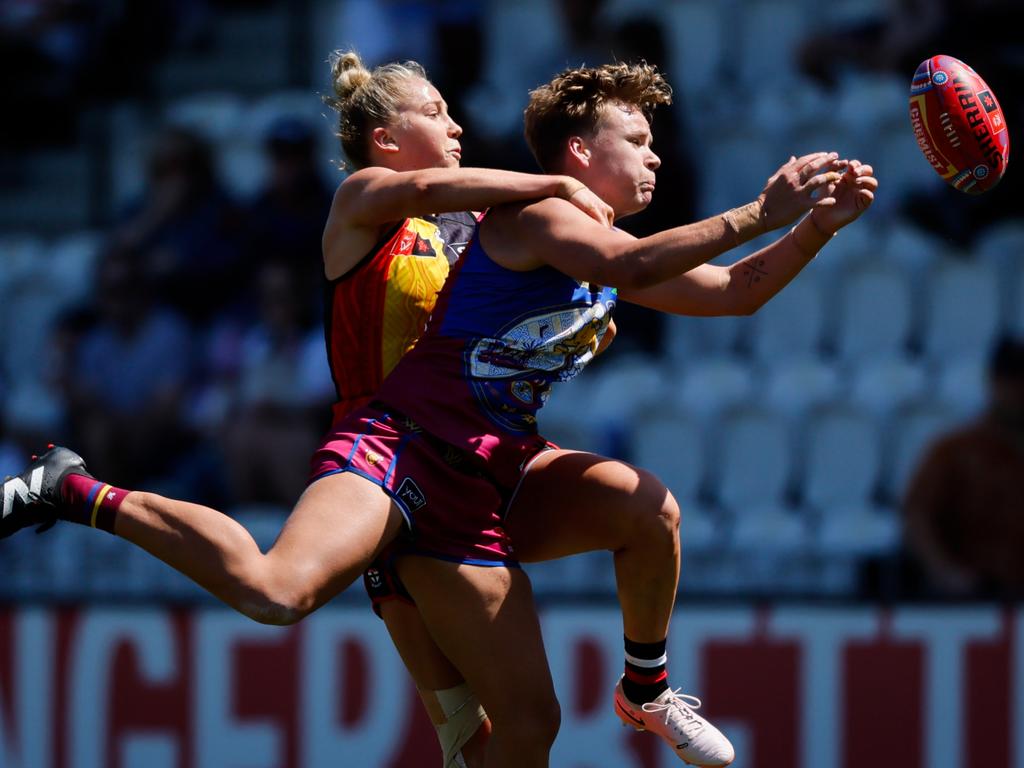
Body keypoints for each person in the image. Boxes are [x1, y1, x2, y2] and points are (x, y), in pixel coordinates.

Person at [1, 57, 864, 766]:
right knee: (281, 596)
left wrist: (812, 230)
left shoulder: (490, 222)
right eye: (439, 112)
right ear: (385, 136)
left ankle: (647, 688)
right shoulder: (378, 199)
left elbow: (720, 292)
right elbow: (560, 239)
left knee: (541, 692)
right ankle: (71, 489)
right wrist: (564, 188)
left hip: (488, 468)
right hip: (387, 460)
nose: (456, 125)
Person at [902, 335, 1024, 599]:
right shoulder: (956, 451)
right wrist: (945, 572)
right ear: (993, 382)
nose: (1017, 393)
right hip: (974, 596)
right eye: (1010, 381)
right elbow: (917, 517)